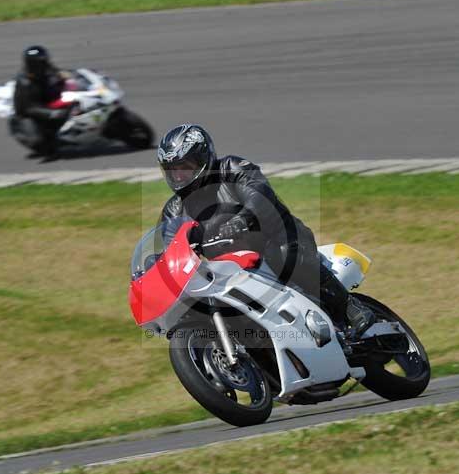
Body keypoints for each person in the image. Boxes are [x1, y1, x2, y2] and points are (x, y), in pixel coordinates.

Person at [157, 123, 374, 337]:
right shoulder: (174, 211)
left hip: (279, 239)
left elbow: (259, 194)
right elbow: (167, 249)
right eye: (172, 171)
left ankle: (350, 307)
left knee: (282, 254)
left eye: (184, 167)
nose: (178, 177)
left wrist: (243, 219)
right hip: (231, 271)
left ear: (203, 158)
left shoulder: (232, 168)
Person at [12, 45, 70, 161]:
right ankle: (49, 149)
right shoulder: (25, 83)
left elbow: (59, 73)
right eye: (40, 62)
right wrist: (52, 113)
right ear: (32, 64)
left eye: (44, 61)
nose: (44, 64)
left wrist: (67, 77)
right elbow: (29, 108)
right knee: (38, 140)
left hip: (46, 101)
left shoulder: (46, 69)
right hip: (29, 114)